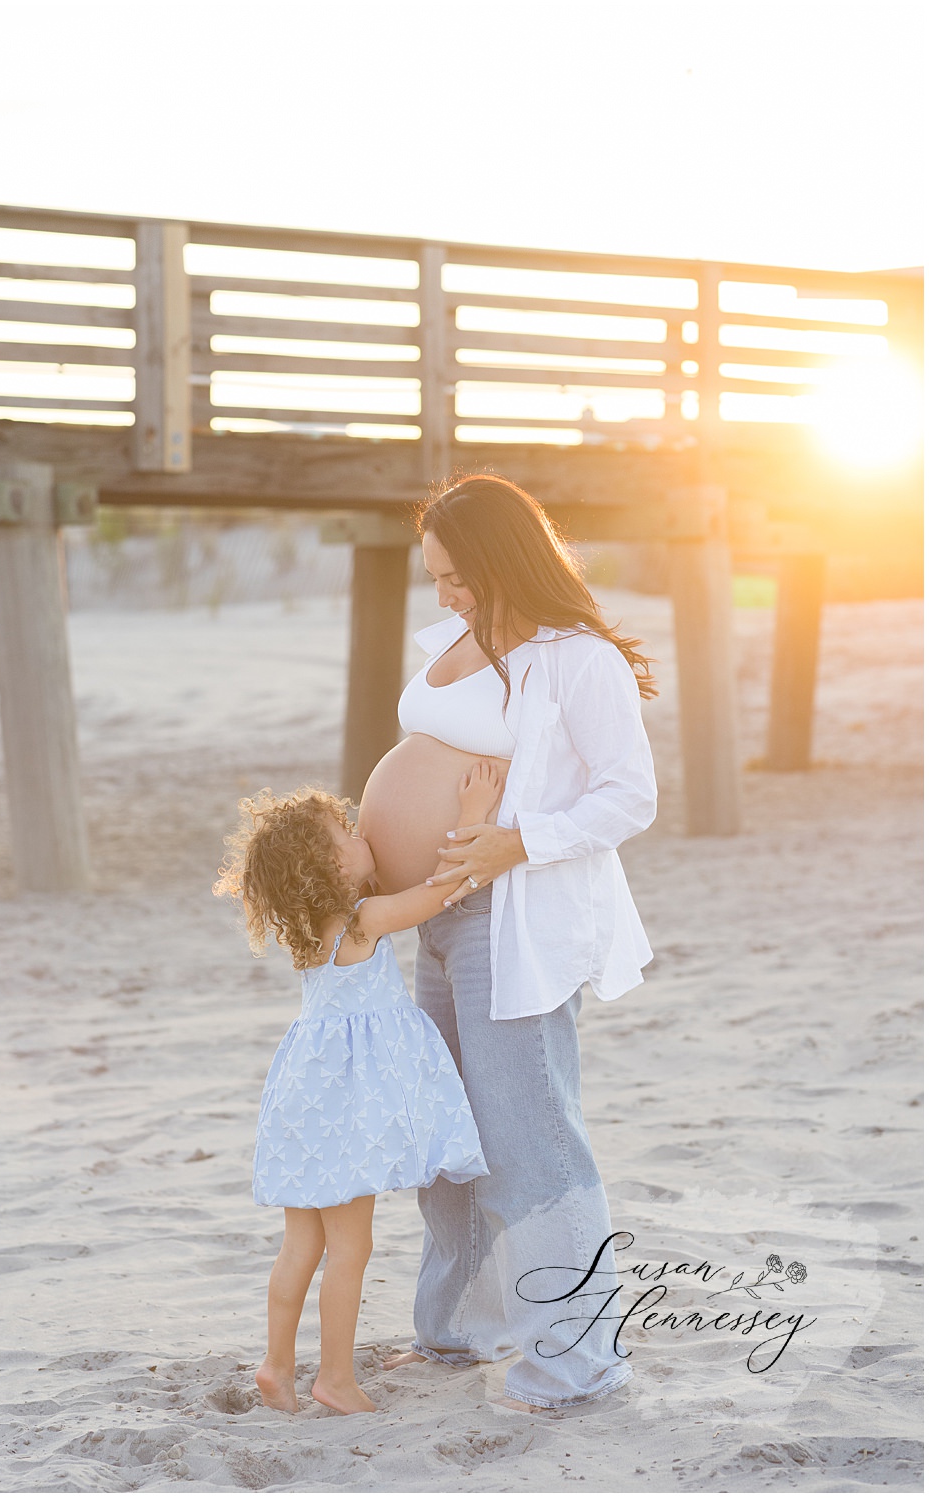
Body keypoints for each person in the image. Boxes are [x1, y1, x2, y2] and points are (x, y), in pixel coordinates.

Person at [360, 472, 657, 1415]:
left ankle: (579, 1361)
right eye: (434, 577)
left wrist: (516, 841)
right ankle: (459, 1333)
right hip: (433, 917)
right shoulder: (456, 638)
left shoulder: (579, 660)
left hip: (511, 920)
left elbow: (630, 797)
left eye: (456, 577)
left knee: (529, 1139)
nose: (443, 596)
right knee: (447, 1140)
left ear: (501, 562)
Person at [215, 763, 499, 1415]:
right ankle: (335, 1379)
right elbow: (443, 890)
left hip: (303, 1098)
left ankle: (277, 1366)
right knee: (351, 1246)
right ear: (331, 868)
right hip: (343, 1108)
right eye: (344, 828)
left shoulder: (313, 935)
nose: (358, 827)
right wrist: (473, 815)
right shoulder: (363, 919)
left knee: (303, 1243)